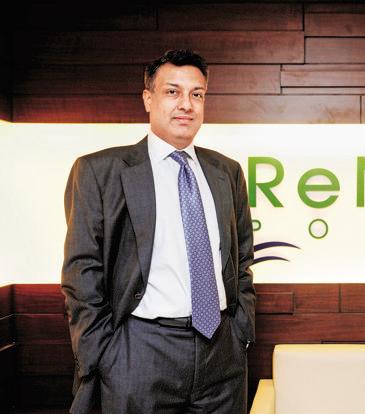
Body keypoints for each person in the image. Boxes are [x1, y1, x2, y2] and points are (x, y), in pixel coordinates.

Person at [61, 49, 256, 413]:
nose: (186, 104)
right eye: (172, 92)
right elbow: (81, 271)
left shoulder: (227, 172)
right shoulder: (100, 171)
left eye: (197, 94)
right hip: (139, 353)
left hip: (221, 353)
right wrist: (103, 353)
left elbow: (242, 257)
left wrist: (240, 332)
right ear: (148, 98)